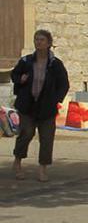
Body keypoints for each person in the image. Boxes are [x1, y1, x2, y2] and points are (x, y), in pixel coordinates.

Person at [11, 29, 70, 182]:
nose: (38, 42)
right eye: (36, 39)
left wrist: (56, 99)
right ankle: (17, 162)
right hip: (27, 106)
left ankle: (42, 169)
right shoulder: (26, 61)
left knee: (46, 138)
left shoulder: (55, 64)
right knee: (26, 133)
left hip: (46, 108)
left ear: (49, 43)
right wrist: (20, 79)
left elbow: (64, 84)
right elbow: (14, 75)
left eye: (42, 40)